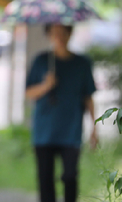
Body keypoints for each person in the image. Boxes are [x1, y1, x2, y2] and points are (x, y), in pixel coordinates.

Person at [25, 24, 97, 202]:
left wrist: (94, 128)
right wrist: (45, 85)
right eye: (54, 33)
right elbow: (28, 93)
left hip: (71, 130)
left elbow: (88, 97)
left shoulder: (82, 63)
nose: (59, 36)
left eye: (63, 32)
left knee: (70, 177)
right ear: (48, 35)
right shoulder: (41, 61)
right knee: (45, 180)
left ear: (70, 33)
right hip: (44, 132)